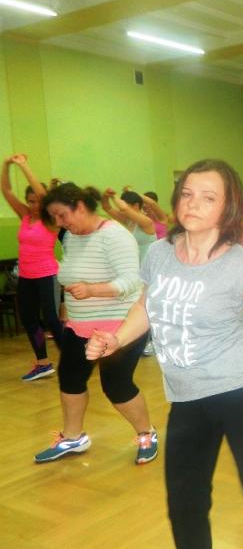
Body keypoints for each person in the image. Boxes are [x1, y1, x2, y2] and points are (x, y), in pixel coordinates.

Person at [85, 159, 243, 549]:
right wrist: (117, 338)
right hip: (186, 398)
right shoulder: (159, 253)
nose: (193, 203)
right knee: (185, 506)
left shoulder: (238, 260)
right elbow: (146, 304)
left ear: (228, 206)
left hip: (242, 393)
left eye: (208, 197)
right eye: (187, 193)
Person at [35, 183, 157, 465]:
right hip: (79, 325)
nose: (59, 223)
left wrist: (92, 290)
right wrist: (69, 305)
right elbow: (71, 273)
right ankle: (73, 437)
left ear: (80, 206)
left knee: (116, 385)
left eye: (62, 215)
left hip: (121, 325)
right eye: (54, 217)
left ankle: (147, 434)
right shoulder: (71, 237)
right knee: (70, 378)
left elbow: (132, 281)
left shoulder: (114, 235)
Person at [1, 154, 62, 381]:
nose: (34, 205)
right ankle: (43, 363)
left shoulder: (51, 219)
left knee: (52, 320)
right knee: (28, 319)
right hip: (26, 277)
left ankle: (73, 357)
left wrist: (24, 165)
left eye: (37, 201)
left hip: (47, 275)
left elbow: (45, 196)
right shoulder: (25, 216)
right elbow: (6, 190)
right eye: (30, 201)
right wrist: (6, 165)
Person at [101, 188, 157, 263]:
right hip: (136, 264)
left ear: (136, 205)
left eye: (126, 205)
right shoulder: (128, 220)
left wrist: (113, 196)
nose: (120, 210)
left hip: (150, 264)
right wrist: (106, 195)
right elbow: (106, 207)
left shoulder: (147, 222)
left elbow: (124, 209)